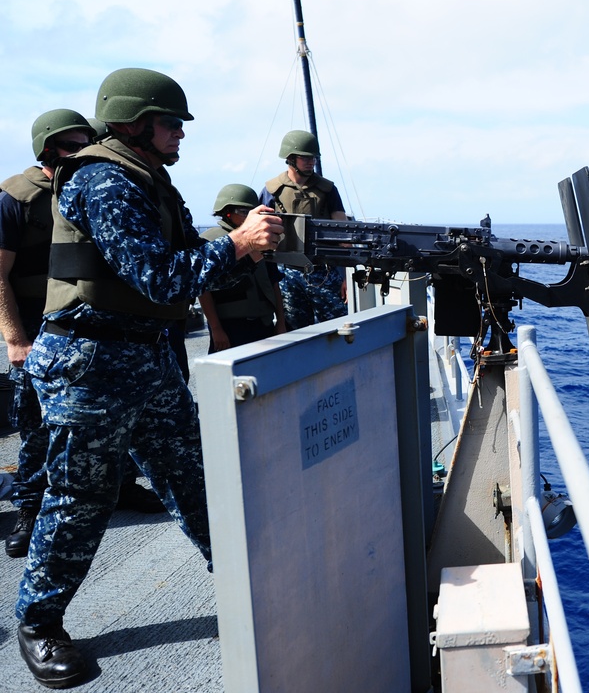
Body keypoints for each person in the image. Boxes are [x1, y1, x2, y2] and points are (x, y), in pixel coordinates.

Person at [14, 67, 283, 688]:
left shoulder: (150, 181)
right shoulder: (104, 180)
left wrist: (248, 246)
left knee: (194, 478)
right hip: (89, 365)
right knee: (80, 499)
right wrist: (237, 244)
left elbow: (191, 264)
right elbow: (159, 277)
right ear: (134, 123)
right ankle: (38, 623)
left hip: (146, 357)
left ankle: (249, 585)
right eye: (170, 123)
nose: (180, 134)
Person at [0, 112, 165, 562]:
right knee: (38, 429)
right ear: (46, 149)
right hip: (37, 330)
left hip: (90, 329)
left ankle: (123, 486)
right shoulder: (16, 200)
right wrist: (15, 339)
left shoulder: (95, 185)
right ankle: (29, 510)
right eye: (73, 146)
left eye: (87, 143)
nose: (84, 152)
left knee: (117, 417)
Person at [259, 130, 350, 329]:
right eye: (306, 158)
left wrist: (346, 277)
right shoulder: (272, 191)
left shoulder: (328, 189)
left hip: (324, 271)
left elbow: (344, 235)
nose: (311, 162)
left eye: (314, 158)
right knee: (295, 332)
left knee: (337, 329)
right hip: (287, 273)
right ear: (291, 159)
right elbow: (260, 235)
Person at [199, 183, 286, 351]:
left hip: (264, 323)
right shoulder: (211, 243)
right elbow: (203, 291)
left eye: (253, 212)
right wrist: (216, 329)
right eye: (244, 212)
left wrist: (281, 323)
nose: (250, 217)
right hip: (231, 327)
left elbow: (274, 283)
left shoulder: (262, 240)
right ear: (227, 212)